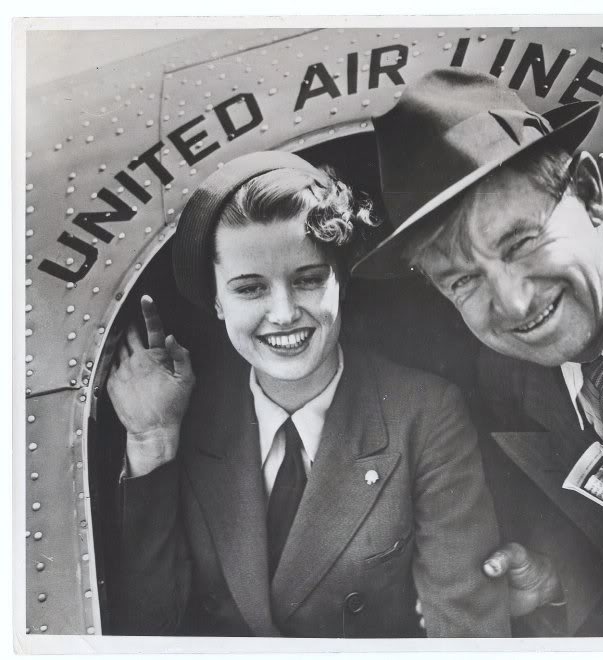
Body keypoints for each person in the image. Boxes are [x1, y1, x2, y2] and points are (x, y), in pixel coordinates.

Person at [353, 68, 603, 636]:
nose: (514, 301)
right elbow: (596, 591)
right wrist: (555, 589)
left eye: (522, 241)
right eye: (463, 282)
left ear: (589, 194)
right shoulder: (499, 396)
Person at [106, 150, 511, 637]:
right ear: (216, 299)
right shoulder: (189, 418)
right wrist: (153, 440)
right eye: (250, 289)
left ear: (341, 279)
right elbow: (149, 630)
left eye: (308, 280)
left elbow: (468, 629)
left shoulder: (424, 414)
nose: (283, 313)